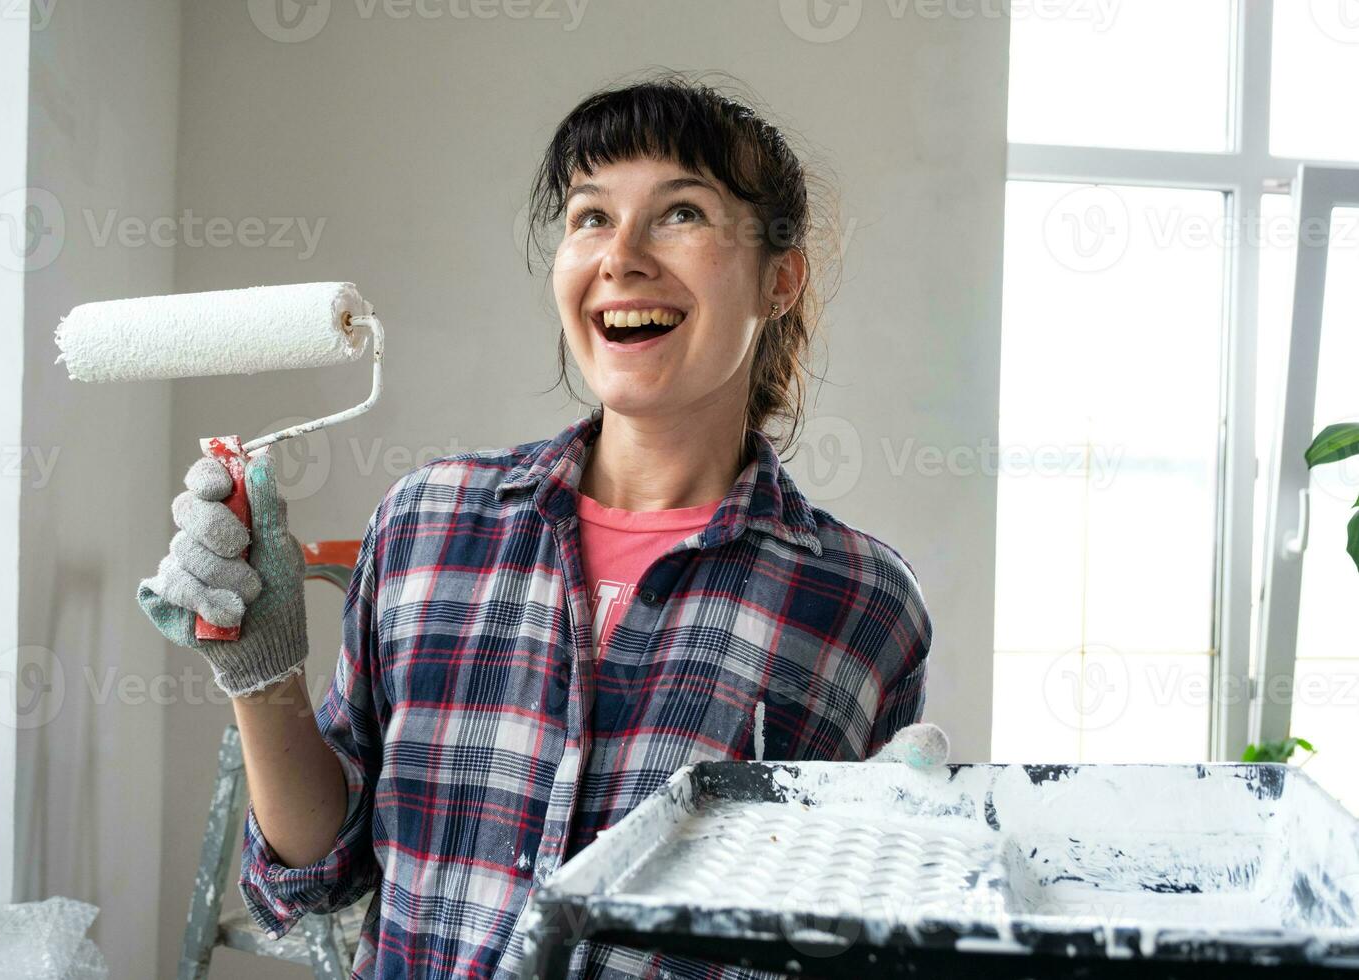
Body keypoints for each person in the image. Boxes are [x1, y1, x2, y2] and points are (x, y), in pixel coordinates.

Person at [139, 70, 933, 980]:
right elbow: (319, 871)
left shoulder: (862, 604)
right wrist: (261, 672)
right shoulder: (427, 523)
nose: (621, 256)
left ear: (780, 279)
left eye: (680, 213)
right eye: (591, 215)